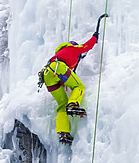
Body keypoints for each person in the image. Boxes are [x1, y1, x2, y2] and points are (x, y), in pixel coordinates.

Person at [39, 14, 107, 145]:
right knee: (79, 87)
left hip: (47, 76)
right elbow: (85, 47)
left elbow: (62, 77)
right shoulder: (70, 48)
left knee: (61, 105)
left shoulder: (57, 56)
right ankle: (73, 104)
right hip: (57, 69)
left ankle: (63, 132)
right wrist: (94, 38)